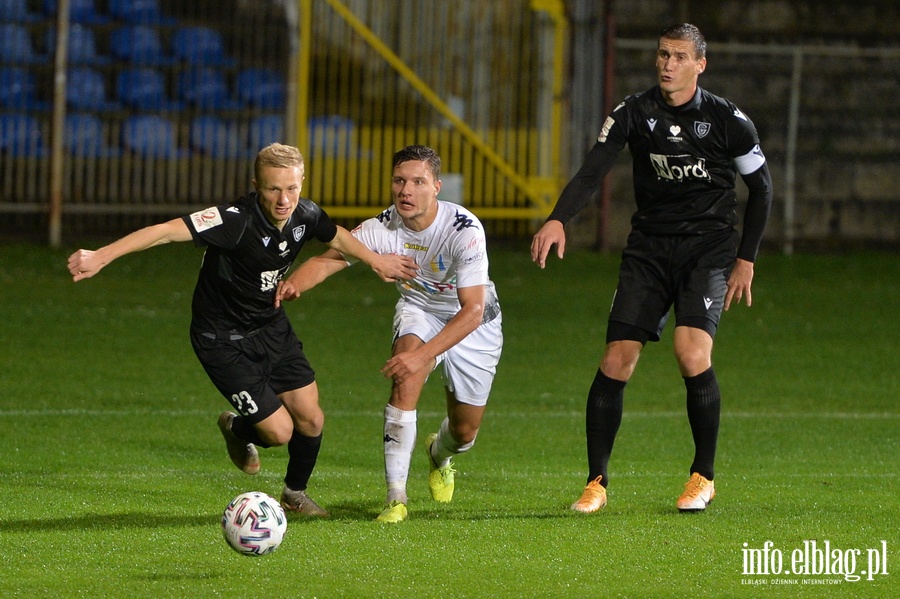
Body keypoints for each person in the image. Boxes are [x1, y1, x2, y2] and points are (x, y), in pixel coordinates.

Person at [67, 143, 417, 517]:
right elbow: (165, 232)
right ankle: (237, 430)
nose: (284, 200)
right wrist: (101, 256)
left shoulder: (306, 213)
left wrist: (376, 261)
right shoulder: (233, 220)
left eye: (291, 189)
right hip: (220, 338)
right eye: (272, 189)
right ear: (256, 185)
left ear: (301, 183)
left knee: (312, 418)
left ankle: (294, 495)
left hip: (269, 324)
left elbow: (337, 236)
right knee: (279, 433)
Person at [531, 23, 772, 513]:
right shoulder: (634, 111)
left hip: (707, 251)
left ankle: (703, 477)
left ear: (700, 65)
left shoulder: (728, 121)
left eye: (680, 57)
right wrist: (558, 219)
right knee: (617, 358)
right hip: (648, 251)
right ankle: (595, 483)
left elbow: (762, 189)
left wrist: (745, 258)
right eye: (663, 54)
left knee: (690, 352)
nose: (667, 64)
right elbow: (594, 167)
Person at [276, 144, 503, 523]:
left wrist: (423, 355)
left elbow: (473, 311)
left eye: (417, 182)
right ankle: (396, 498)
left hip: (473, 324)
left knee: (464, 432)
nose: (406, 191)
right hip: (420, 312)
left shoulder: (463, 230)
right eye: (399, 181)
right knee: (405, 379)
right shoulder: (383, 227)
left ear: (436, 187)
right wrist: (293, 285)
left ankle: (439, 455)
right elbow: (328, 260)